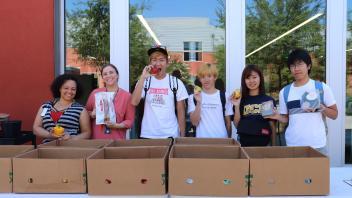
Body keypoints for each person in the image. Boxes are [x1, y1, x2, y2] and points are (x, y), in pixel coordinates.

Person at [268, 48, 338, 153]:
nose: (296, 69)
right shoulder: (285, 92)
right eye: (292, 65)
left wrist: (322, 108)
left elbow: (335, 114)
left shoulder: (321, 88)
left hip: (317, 144)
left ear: (308, 66)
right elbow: (286, 119)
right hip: (293, 145)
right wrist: (276, 116)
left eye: (300, 64)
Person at [131, 45, 188, 138]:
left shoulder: (176, 83)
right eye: (154, 60)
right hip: (148, 134)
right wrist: (142, 77)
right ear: (150, 63)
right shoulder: (145, 81)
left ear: (167, 62)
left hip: (170, 134)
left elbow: (181, 112)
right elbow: (134, 102)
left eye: (161, 60)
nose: (158, 63)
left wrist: (182, 136)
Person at [33, 74, 91, 142]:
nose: (69, 91)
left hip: (69, 149)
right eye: (66, 88)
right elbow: (36, 128)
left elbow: (87, 133)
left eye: (73, 89)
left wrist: (71, 138)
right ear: (59, 88)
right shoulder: (46, 107)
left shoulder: (81, 110)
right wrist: (49, 135)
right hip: (47, 148)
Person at [86, 64, 135, 140]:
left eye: (111, 72)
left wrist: (117, 125)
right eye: (105, 74)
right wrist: (92, 114)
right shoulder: (95, 93)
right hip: (97, 140)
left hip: (117, 140)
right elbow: (85, 113)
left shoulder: (127, 96)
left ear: (117, 75)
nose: (108, 75)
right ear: (102, 78)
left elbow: (130, 120)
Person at [231, 65, 276, 146]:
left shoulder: (267, 100)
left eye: (254, 77)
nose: (251, 81)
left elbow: (271, 126)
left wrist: (274, 147)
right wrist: (237, 106)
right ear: (244, 81)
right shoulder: (240, 100)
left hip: (264, 146)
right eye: (248, 78)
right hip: (244, 145)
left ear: (260, 78)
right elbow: (237, 125)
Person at [188, 63, 233, 138]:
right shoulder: (193, 97)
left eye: (209, 76)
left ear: (215, 77)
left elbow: (228, 123)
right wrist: (199, 102)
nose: (206, 80)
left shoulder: (225, 96)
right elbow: (194, 123)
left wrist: (228, 142)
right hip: (201, 142)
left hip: (221, 140)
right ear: (199, 79)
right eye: (202, 77)